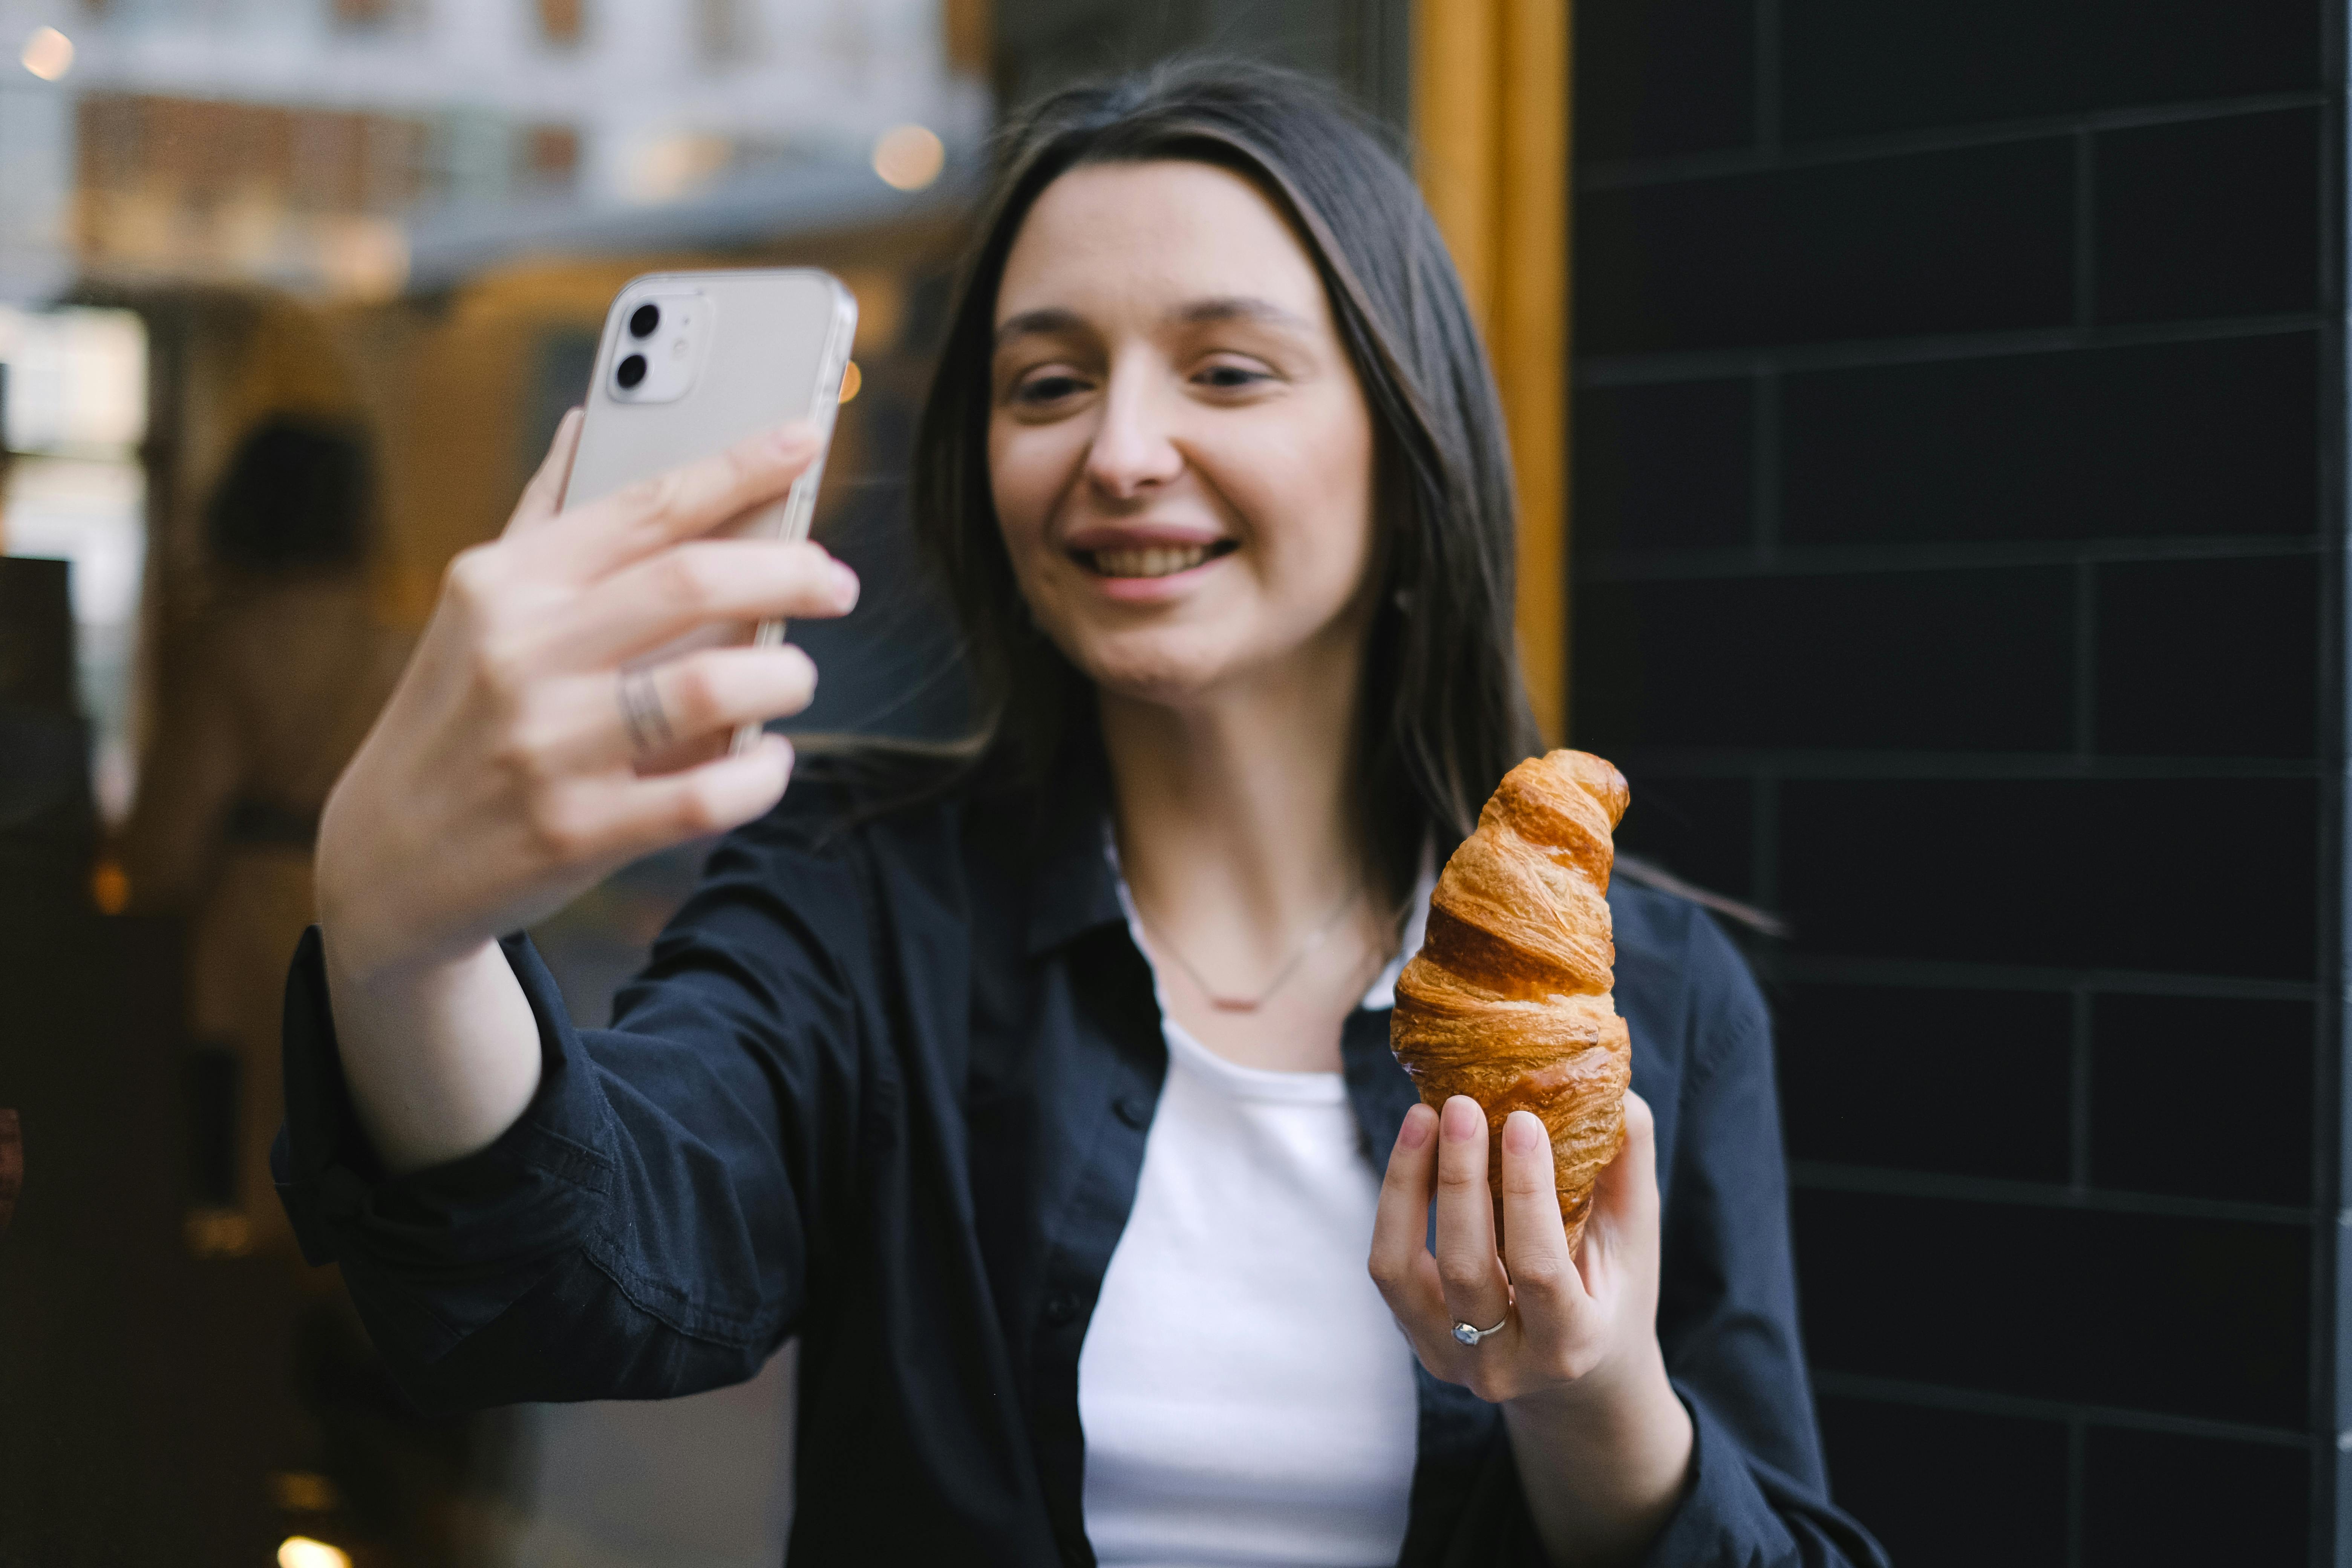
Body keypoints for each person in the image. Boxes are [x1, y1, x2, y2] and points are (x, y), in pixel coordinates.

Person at [276, 62, 1887, 1568]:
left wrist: (1589, 1396)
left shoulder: (1651, 996)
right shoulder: (859, 903)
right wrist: (403, 944)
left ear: (1405, 448)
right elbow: (563, 1282)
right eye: (1046, 382)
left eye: (1227, 370)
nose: (1117, 450)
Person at [122, 414, 410, 1258]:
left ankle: (236, 1360)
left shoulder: (228, 641)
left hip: (245, 919)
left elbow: (170, 840)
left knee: (230, 1177)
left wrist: (135, 894)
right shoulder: (397, 645)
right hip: (365, 913)